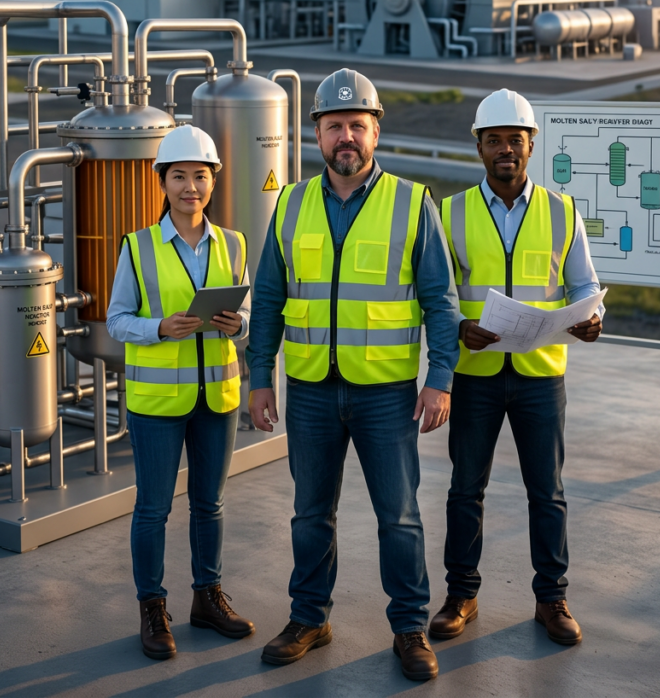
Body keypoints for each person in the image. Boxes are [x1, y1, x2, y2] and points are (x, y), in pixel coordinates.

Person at [245, 68, 460, 683]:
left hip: (387, 394)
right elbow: (268, 298)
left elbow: (440, 302)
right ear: (316, 133)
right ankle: (309, 617)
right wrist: (261, 375)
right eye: (334, 125)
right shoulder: (289, 203)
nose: (346, 137)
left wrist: (439, 376)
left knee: (398, 516)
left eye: (357, 126)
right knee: (310, 514)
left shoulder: (413, 202)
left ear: (374, 132)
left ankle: (410, 629)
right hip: (310, 388)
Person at [429, 89, 603, 647]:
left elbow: (582, 285)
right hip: (475, 374)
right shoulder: (451, 212)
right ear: (479, 146)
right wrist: (457, 324)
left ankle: (552, 600)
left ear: (531, 145)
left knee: (546, 492)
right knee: (464, 490)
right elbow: (440, 292)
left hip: (540, 374)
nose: (506, 149)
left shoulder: (562, 210)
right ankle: (462, 596)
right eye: (495, 140)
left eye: (515, 140)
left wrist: (591, 314)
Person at [106, 124, 254, 661]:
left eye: (200, 176)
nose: (190, 186)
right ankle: (153, 607)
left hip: (217, 398)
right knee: (152, 510)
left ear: (212, 181)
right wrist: (158, 329)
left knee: (209, 505)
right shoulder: (137, 247)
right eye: (179, 177)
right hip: (158, 405)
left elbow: (251, 315)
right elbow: (116, 319)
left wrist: (236, 325)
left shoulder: (234, 243)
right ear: (162, 182)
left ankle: (207, 598)